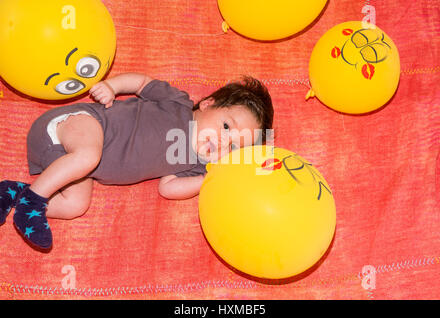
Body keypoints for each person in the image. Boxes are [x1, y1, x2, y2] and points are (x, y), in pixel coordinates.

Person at [0, 73, 274, 249]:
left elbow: (167, 188)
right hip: (79, 124)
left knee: (76, 205)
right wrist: (112, 86)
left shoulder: (194, 164)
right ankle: (32, 202)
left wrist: (207, 178)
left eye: (235, 146)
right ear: (208, 103)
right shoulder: (178, 104)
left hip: (64, 161)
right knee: (88, 156)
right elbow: (142, 84)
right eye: (227, 127)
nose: (225, 141)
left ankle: (15, 194)